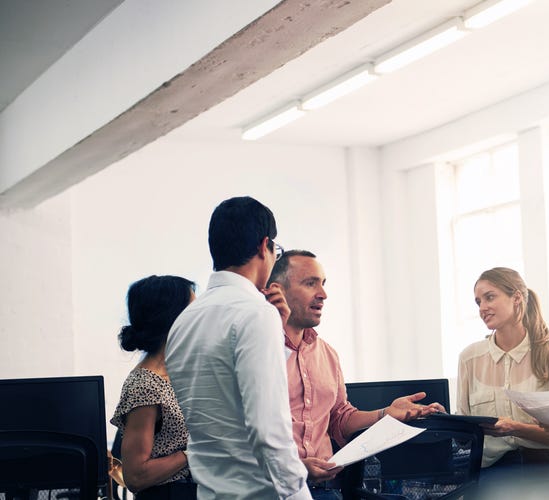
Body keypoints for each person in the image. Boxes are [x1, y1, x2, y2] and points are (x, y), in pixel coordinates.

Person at [165, 196, 313, 500]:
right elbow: (268, 432)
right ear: (264, 246)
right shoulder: (255, 314)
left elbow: (223, 400)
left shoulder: (184, 321)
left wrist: (277, 335)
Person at [265, 250, 444, 498]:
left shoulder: (327, 354)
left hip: (326, 491)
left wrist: (385, 414)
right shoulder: (259, 352)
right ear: (277, 291)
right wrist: (294, 467)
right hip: (275, 489)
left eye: (323, 284)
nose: (323, 294)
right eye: (310, 283)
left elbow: (339, 417)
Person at [457, 267, 549, 499]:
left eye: (490, 297)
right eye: (478, 301)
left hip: (546, 466)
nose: (482, 308)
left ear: (517, 298)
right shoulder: (469, 358)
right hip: (493, 469)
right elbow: (465, 438)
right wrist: (448, 422)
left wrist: (515, 428)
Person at [110, 275, 197, 499]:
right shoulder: (145, 385)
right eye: (193, 310)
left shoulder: (180, 374)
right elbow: (135, 476)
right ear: (173, 317)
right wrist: (191, 453)